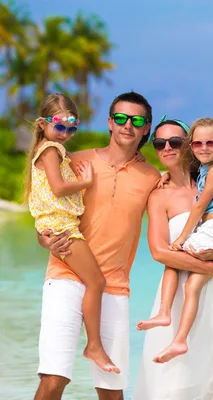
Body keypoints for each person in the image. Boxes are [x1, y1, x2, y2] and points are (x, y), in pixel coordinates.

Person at [33, 92, 213, 400]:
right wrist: (42, 237)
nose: (128, 125)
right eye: (122, 118)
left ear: (146, 129)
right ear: (110, 123)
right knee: (54, 380)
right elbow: (49, 207)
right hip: (65, 276)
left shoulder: (153, 178)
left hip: (114, 287)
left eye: (137, 120)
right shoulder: (77, 161)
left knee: (112, 391)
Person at [133, 116, 213, 399]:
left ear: (187, 145)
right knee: (172, 384)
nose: (168, 148)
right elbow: (159, 252)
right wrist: (210, 268)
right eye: (160, 143)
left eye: (175, 141)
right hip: (177, 298)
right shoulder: (159, 195)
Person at [25, 93, 119, 374]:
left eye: (72, 128)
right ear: (43, 123)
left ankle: (91, 343)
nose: (65, 134)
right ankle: (93, 345)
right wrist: (85, 182)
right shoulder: (50, 150)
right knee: (97, 282)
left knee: (94, 282)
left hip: (59, 225)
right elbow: (57, 187)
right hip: (63, 228)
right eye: (60, 126)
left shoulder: (50, 149)